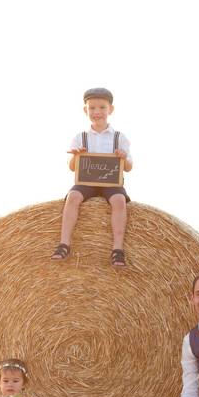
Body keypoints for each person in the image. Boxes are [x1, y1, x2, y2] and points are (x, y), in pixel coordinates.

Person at [50, 87, 134, 268]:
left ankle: (117, 248)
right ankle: (64, 243)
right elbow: (72, 168)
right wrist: (76, 156)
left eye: (102, 107)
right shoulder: (80, 137)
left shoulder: (119, 138)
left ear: (110, 109)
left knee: (119, 199)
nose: (97, 112)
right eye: (92, 108)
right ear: (85, 110)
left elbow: (129, 168)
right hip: (86, 183)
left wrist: (123, 157)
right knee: (72, 197)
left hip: (111, 183)